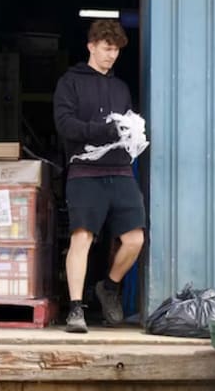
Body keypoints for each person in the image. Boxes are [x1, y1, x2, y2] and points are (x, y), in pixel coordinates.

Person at [52, 19, 145, 333]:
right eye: (107, 48)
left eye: (116, 50)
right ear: (91, 46)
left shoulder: (120, 88)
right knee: (82, 237)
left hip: (120, 170)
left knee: (135, 239)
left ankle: (108, 286)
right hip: (84, 171)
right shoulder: (70, 82)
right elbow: (65, 125)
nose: (112, 56)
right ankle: (76, 309)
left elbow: (127, 120)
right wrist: (102, 131)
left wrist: (135, 134)